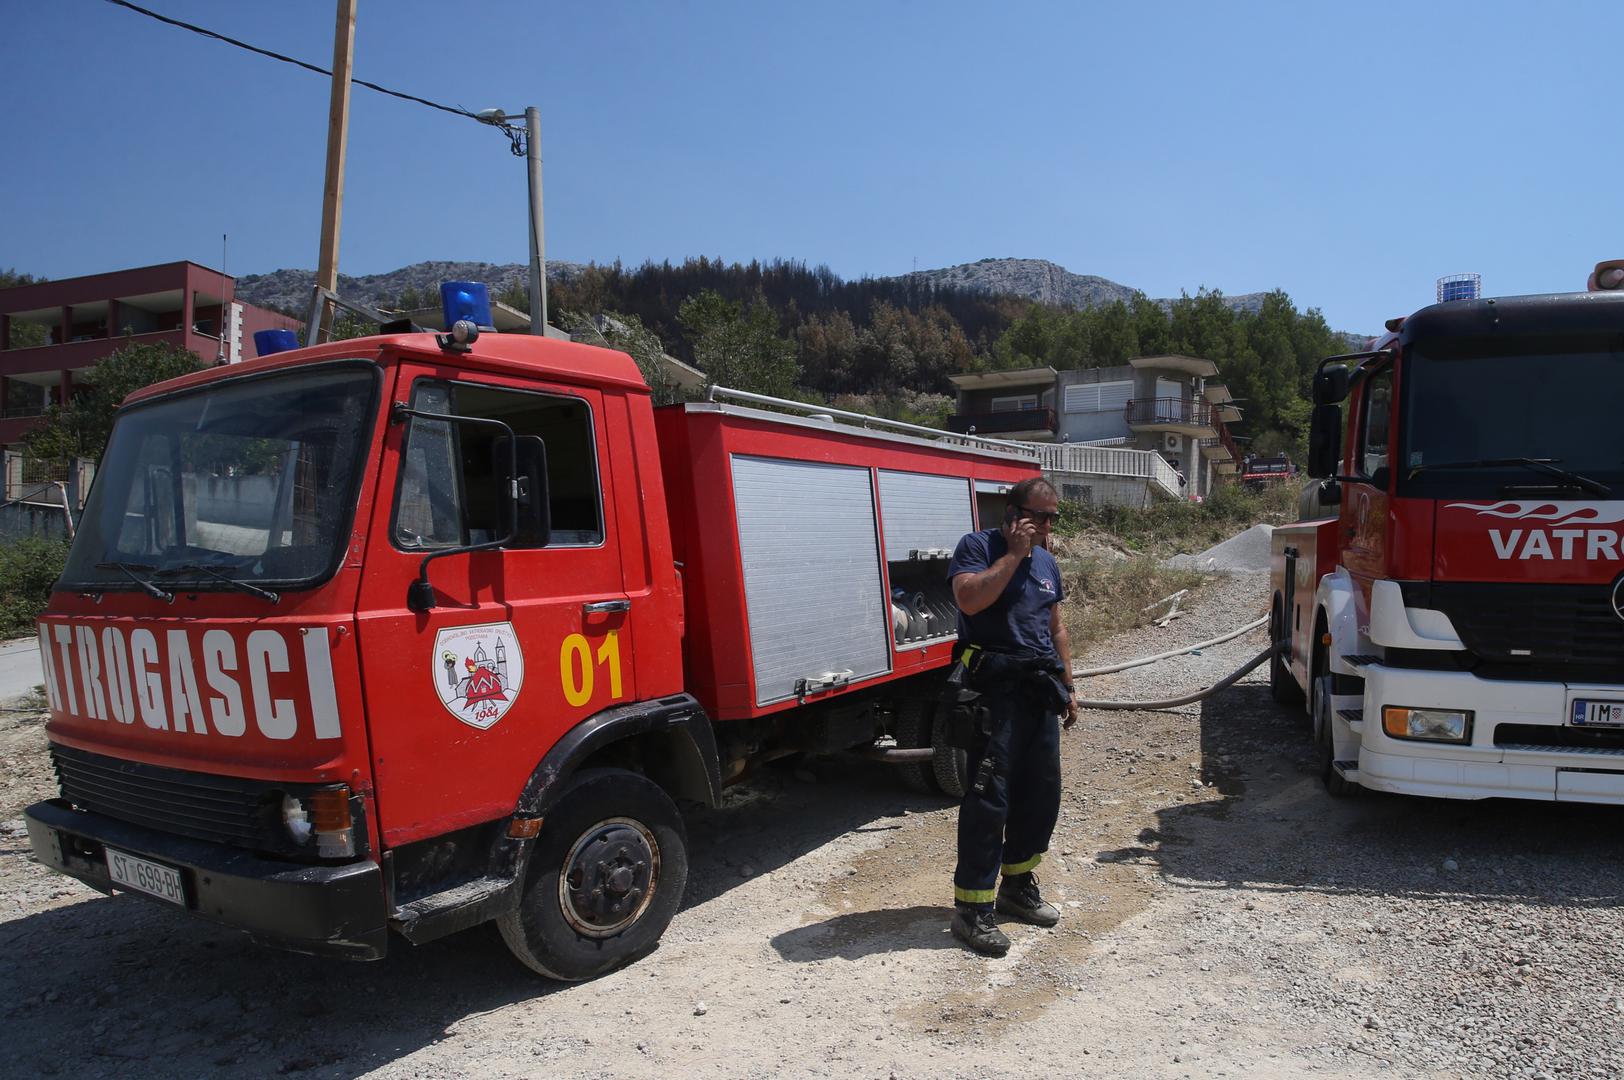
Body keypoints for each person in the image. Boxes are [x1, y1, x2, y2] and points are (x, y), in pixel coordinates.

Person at [944, 476, 1077, 957]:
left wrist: (1069, 685)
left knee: (1039, 793)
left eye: (1050, 518)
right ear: (1011, 513)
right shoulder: (978, 547)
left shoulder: (1048, 562)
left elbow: (1055, 628)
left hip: (1037, 690)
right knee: (989, 798)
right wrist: (1015, 555)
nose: (1044, 526)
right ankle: (972, 911)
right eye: (1036, 516)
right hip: (993, 692)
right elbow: (970, 599)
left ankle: (1017, 889)